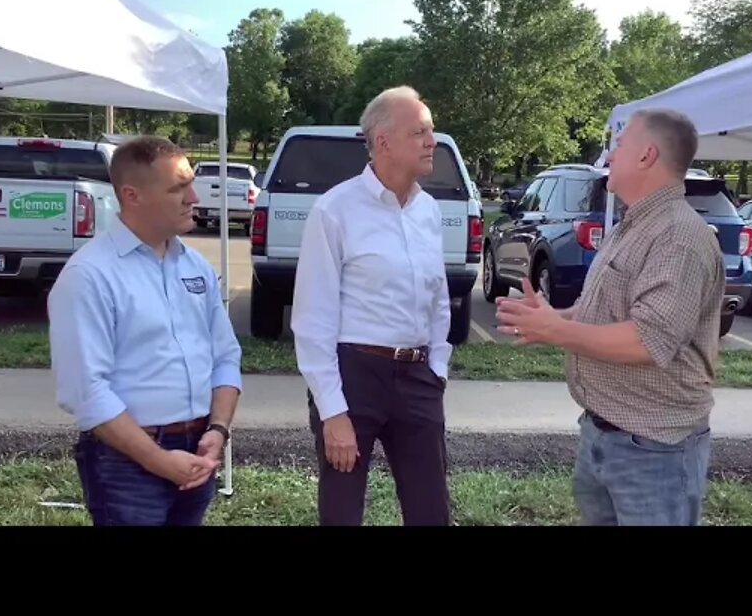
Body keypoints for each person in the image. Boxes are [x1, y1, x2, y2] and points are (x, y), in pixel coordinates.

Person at [495, 109, 724, 526]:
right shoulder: (631, 224)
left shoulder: (678, 236)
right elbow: (606, 311)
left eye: (620, 144)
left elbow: (646, 341)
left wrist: (559, 331)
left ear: (646, 156)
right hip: (604, 434)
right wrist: (555, 317)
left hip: (654, 450)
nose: (609, 154)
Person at [48, 136, 243, 526]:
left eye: (191, 183)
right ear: (132, 195)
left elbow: (225, 356)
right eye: (178, 187)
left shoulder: (195, 267)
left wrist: (217, 430)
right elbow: (87, 392)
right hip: (127, 463)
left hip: (199, 450)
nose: (195, 197)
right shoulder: (90, 276)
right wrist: (158, 460)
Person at [291, 86, 453, 526]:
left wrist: (436, 368)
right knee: (342, 513)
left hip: (418, 378)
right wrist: (333, 412)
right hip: (354, 377)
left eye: (431, 131)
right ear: (383, 142)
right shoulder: (335, 211)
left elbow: (438, 299)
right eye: (419, 131)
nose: (431, 141)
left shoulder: (429, 212)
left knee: (431, 512)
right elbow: (312, 318)